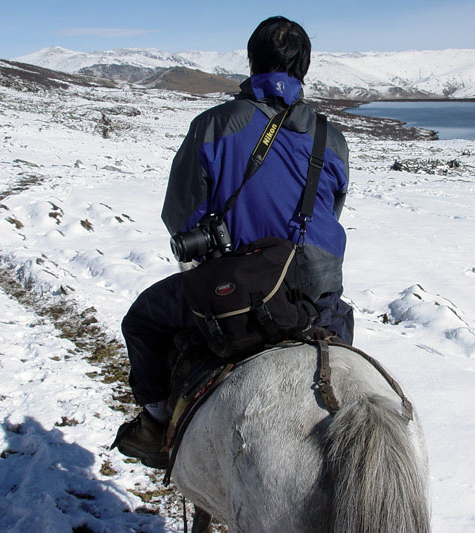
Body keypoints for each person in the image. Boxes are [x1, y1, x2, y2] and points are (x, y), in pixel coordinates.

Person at [112, 16, 353, 468]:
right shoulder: (332, 138)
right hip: (316, 292)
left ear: (251, 60)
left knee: (143, 320)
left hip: (239, 292)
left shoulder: (212, 126)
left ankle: (156, 425)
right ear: (304, 67)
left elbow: (179, 215)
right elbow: (331, 210)